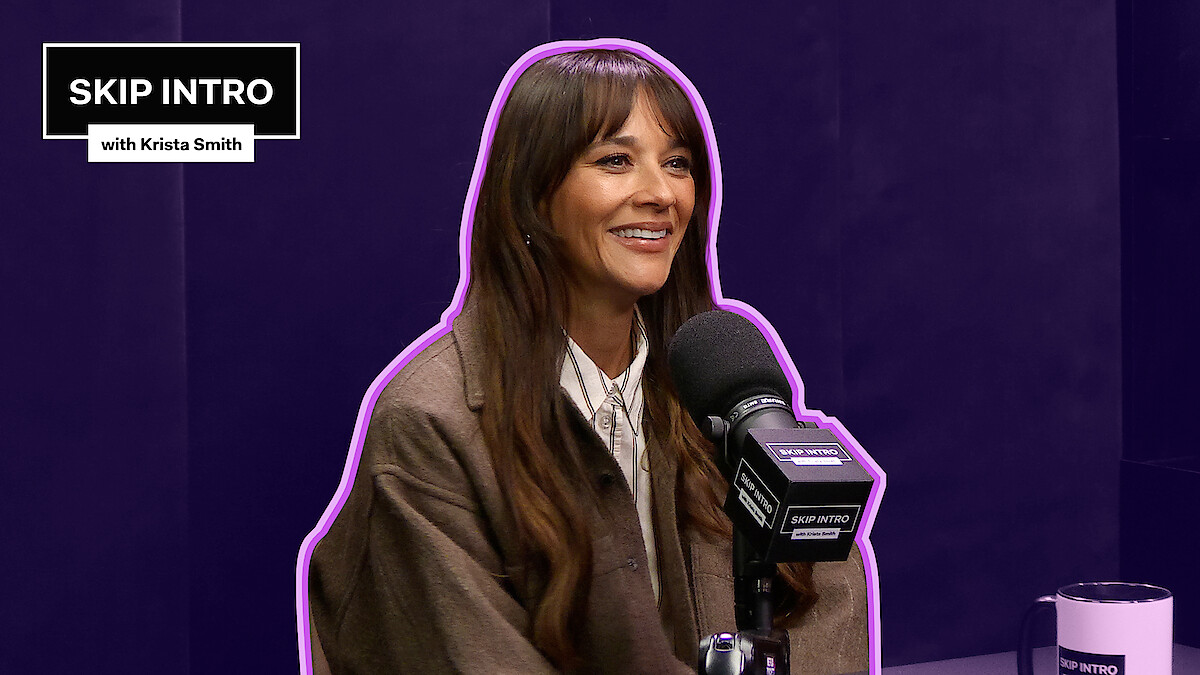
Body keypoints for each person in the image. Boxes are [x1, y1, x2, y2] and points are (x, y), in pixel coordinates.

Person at [308, 45, 868, 674]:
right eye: (615, 160)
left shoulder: (724, 397)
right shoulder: (429, 423)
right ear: (532, 194)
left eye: (678, 163)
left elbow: (816, 605)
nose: (660, 193)